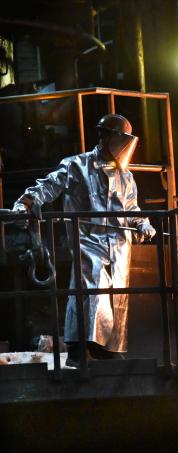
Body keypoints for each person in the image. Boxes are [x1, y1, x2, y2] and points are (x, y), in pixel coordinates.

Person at [12, 113, 156, 365]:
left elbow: (132, 209)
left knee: (116, 298)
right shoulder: (76, 165)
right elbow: (48, 186)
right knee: (89, 292)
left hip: (120, 247)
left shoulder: (126, 177)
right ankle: (80, 349)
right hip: (89, 242)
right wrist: (26, 203)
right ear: (108, 137)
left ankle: (110, 351)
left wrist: (143, 223)